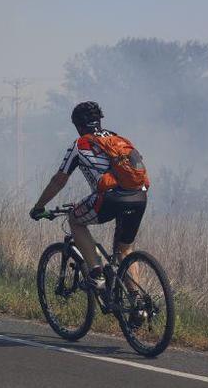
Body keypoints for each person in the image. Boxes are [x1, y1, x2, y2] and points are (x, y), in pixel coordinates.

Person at [29, 101, 149, 290]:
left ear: (77, 125)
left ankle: (96, 274)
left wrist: (38, 206)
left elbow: (58, 181)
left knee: (75, 219)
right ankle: (139, 304)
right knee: (124, 250)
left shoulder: (80, 144)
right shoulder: (119, 139)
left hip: (111, 198)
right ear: (100, 120)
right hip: (139, 196)